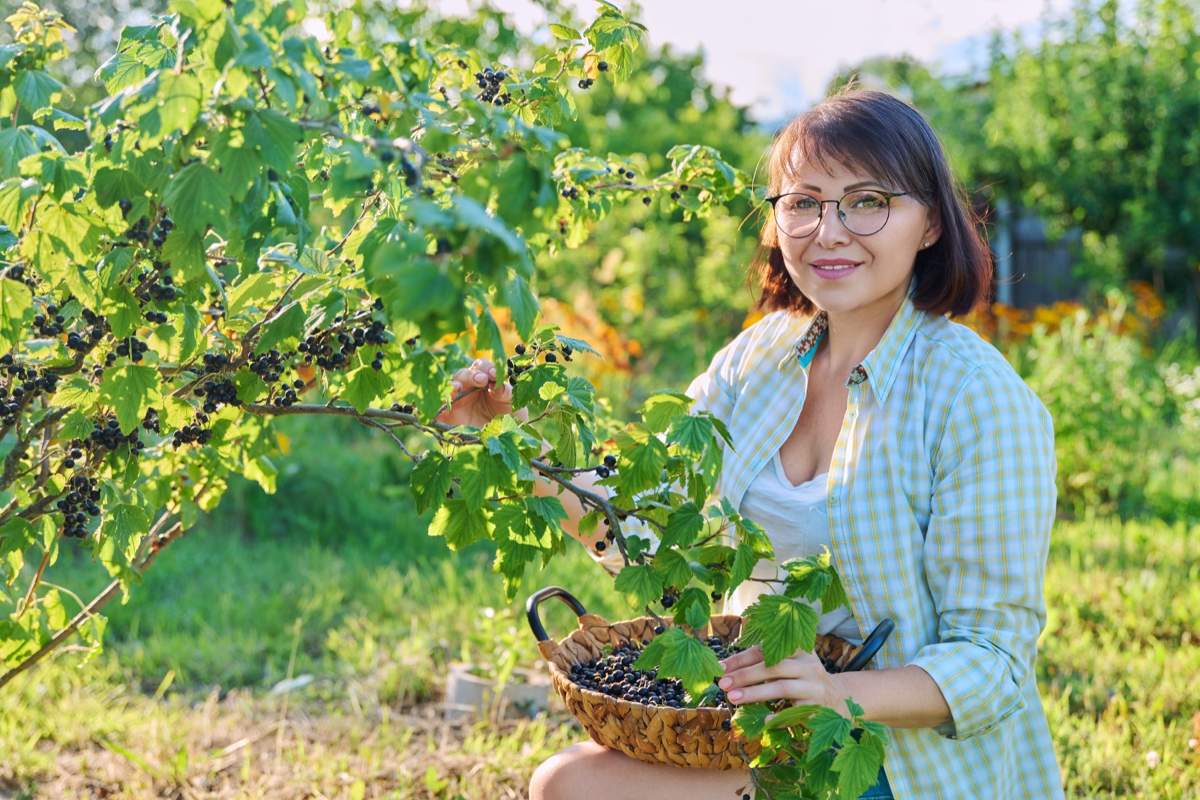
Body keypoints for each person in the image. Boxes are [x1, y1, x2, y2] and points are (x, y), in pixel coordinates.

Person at [439, 86, 1064, 800]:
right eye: (802, 202)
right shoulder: (759, 361)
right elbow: (652, 534)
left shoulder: (976, 396)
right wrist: (505, 439)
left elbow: (994, 662)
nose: (828, 231)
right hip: (761, 724)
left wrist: (834, 692)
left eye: (868, 202)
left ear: (928, 225)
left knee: (574, 789)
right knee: (568, 781)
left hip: (907, 761)